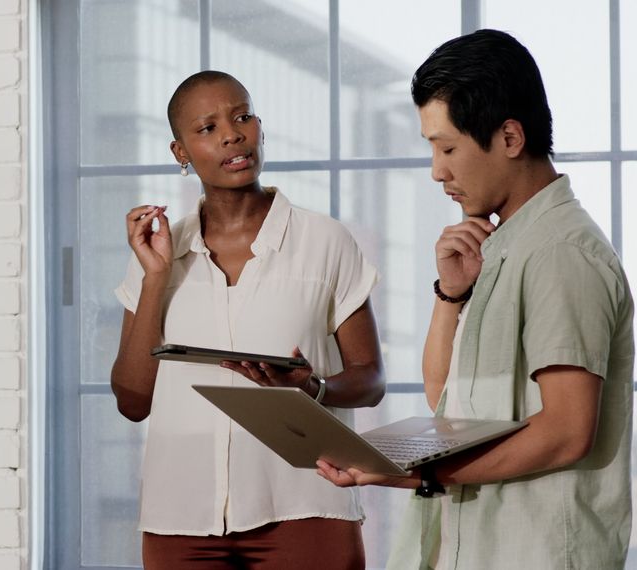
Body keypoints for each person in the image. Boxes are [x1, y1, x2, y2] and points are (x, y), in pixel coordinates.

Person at [316, 30, 634, 569]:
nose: (438, 171)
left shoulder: (560, 253)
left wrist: (418, 473)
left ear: (510, 137)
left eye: (447, 148)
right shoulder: (505, 244)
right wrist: (450, 295)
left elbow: (566, 431)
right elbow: (449, 398)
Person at [111, 70, 386, 569]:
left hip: (305, 504)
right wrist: (155, 278)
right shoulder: (157, 254)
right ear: (181, 153)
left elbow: (370, 378)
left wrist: (314, 388)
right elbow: (133, 400)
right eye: (208, 128)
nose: (232, 135)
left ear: (260, 126)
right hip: (181, 516)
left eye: (242, 117)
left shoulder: (326, 242)